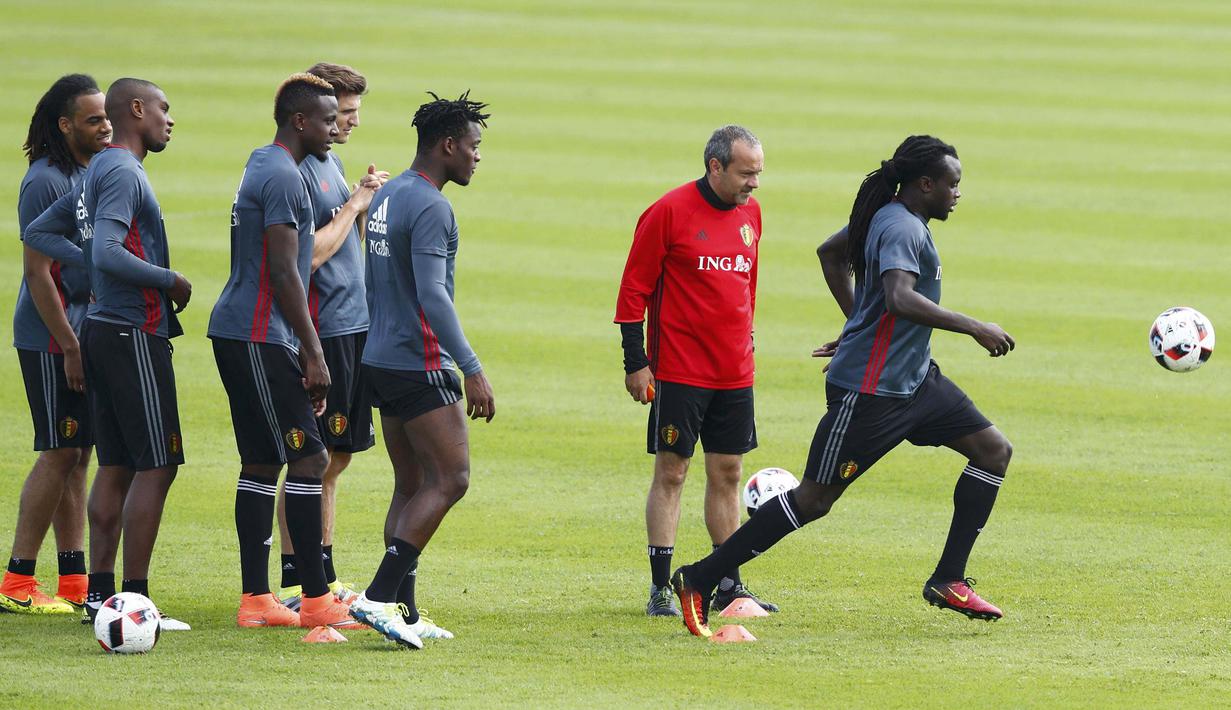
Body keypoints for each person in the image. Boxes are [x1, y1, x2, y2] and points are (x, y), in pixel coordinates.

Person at [671, 135, 1015, 638]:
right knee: (813, 500)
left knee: (992, 451)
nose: (957, 193)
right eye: (951, 184)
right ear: (925, 184)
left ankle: (948, 579)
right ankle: (699, 579)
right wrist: (973, 326)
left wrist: (860, 325)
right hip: (871, 393)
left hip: (917, 381)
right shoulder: (899, 225)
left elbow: (831, 253)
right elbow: (898, 297)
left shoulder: (892, 215)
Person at [208, 73, 370, 630]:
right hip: (258, 333)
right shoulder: (282, 176)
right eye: (328, 119)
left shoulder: (266, 163)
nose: (336, 128)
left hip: (244, 330)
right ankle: (317, 600)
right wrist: (313, 352)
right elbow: (284, 271)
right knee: (311, 458)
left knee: (262, 460)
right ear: (299, 121)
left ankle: (257, 601)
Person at [347, 91, 494, 648]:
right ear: (449, 145)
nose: (478, 157)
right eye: (474, 147)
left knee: (411, 483)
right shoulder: (432, 205)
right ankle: (380, 597)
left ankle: (400, 612)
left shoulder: (389, 196)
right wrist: (472, 369)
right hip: (419, 361)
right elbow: (433, 294)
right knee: (451, 479)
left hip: (380, 358)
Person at [614, 125, 776, 617]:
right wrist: (635, 361)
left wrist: (746, 337)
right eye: (746, 173)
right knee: (673, 471)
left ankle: (728, 584)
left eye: (758, 174)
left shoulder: (752, 213)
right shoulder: (668, 211)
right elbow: (633, 290)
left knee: (728, 472)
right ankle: (661, 589)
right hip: (680, 371)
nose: (754, 184)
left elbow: (746, 284)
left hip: (734, 372)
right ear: (715, 166)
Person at [70, 78, 193, 630]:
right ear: (137, 110)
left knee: (116, 462)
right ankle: (135, 600)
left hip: (104, 327)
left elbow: (47, 230)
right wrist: (169, 280)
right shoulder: (121, 168)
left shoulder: (100, 166)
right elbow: (107, 250)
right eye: (164, 109)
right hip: (131, 330)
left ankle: (100, 594)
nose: (170, 120)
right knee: (157, 463)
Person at [275, 62, 386, 610]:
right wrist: (355, 203)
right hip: (321, 331)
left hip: (352, 325)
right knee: (311, 458)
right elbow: (309, 256)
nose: (350, 123)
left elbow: (345, 240)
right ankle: (298, 582)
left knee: (335, 458)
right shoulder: (292, 172)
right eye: (344, 114)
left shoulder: (331, 161)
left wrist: (367, 204)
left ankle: (322, 573)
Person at [1, 74, 110, 615]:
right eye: (93, 120)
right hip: (50, 335)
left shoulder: (86, 171)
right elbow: (38, 271)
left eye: (106, 116)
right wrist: (68, 344)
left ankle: (72, 580)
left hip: (76, 330)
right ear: (65, 125)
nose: (105, 126)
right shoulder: (46, 180)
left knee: (79, 453)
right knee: (59, 451)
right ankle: (17, 582)